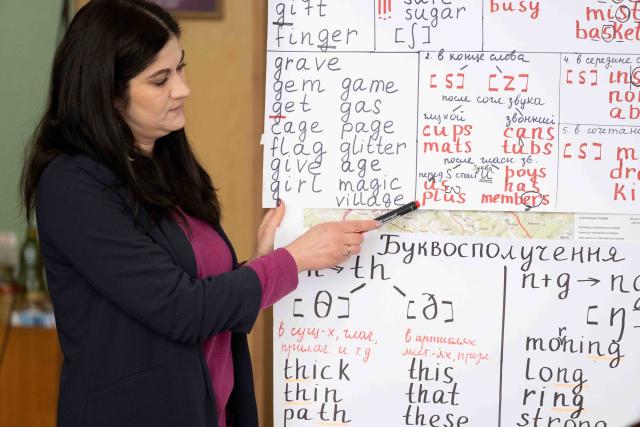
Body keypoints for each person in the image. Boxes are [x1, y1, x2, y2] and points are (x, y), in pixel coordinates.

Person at [19, 1, 380, 426]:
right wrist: (293, 260)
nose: (182, 89)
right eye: (160, 80)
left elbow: (199, 298)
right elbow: (180, 309)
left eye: (180, 68)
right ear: (109, 95)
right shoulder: (72, 184)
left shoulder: (164, 161)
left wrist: (262, 265)